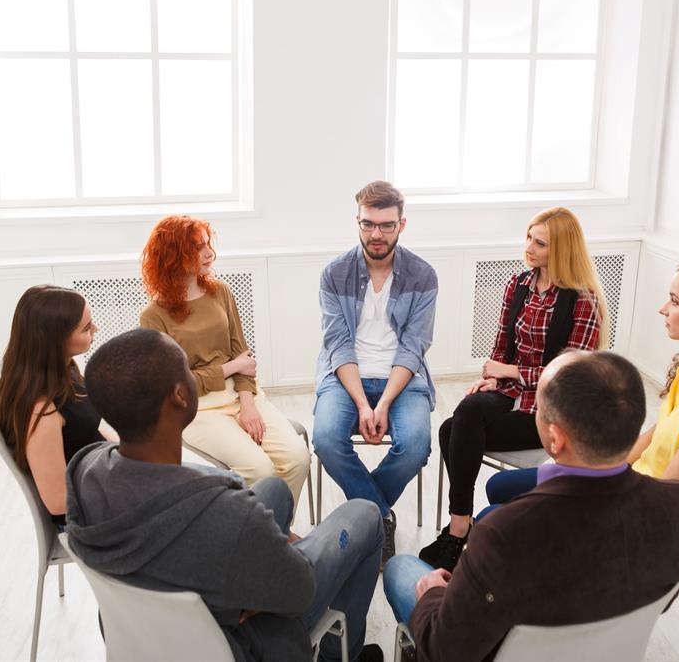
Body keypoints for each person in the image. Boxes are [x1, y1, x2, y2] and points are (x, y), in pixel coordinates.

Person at [66, 328, 384, 662]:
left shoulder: (84, 471)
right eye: (187, 372)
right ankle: (339, 655)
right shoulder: (225, 512)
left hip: (149, 633)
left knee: (274, 488)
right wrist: (241, 603)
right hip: (237, 644)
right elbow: (299, 592)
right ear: (179, 395)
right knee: (365, 513)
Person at [382, 351, 679, 662]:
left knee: (401, 570)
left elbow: (445, 651)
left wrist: (432, 596)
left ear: (555, 438)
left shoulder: (502, 533)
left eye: (538, 406)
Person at [483, 257, 679, 523]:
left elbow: (662, 500)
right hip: (626, 487)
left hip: (638, 520)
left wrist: (587, 491)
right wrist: (598, 469)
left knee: (492, 517)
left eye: (675, 302)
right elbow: (654, 436)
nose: (663, 309)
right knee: (498, 487)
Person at [419, 206, 606, 571]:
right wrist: (492, 377)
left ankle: (458, 530)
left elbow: (567, 375)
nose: (529, 248)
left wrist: (510, 370)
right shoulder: (518, 285)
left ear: (563, 250)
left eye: (540, 243)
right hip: (509, 395)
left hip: (550, 412)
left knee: (457, 425)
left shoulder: (584, 301)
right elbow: (502, 345)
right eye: (529, 238)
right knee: (456, 422)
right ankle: (463, 526)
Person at [139, 215, 310, 505]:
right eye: (197, 247)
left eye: (208, 244)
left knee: (297, 458)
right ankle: (254, 538)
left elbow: (242, 353)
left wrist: (247, 403)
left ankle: (275, 533)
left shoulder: (220, 292)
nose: (209, 253)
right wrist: (231, 368)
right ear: (172, 255)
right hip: (196, 409)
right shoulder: (153, 316)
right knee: (260, 469)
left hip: (239, 396)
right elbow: (177, 385)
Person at [312, 180, 438, 564]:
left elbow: (414, 346)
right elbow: (338, 345)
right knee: (327, 440)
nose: (376, 234)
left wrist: (381, 403)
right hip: (344, 375)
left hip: (403, 378)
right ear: (358, 222)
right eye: (368, 224)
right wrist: (362, 406)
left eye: (386, 225)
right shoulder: (335, 274)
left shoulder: (423, 276)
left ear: (402, 224)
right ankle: (379, 515)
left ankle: (364, 515)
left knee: (416, 444)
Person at [0, 284, 115, 526]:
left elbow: (85, 431)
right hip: (90, 516)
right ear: (55, 340)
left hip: (102, 477)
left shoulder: (63, 371)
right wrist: (126, 481)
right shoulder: (41, 411)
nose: (95, 329)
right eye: (86, 328)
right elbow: (57, 500)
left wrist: (131, 454)